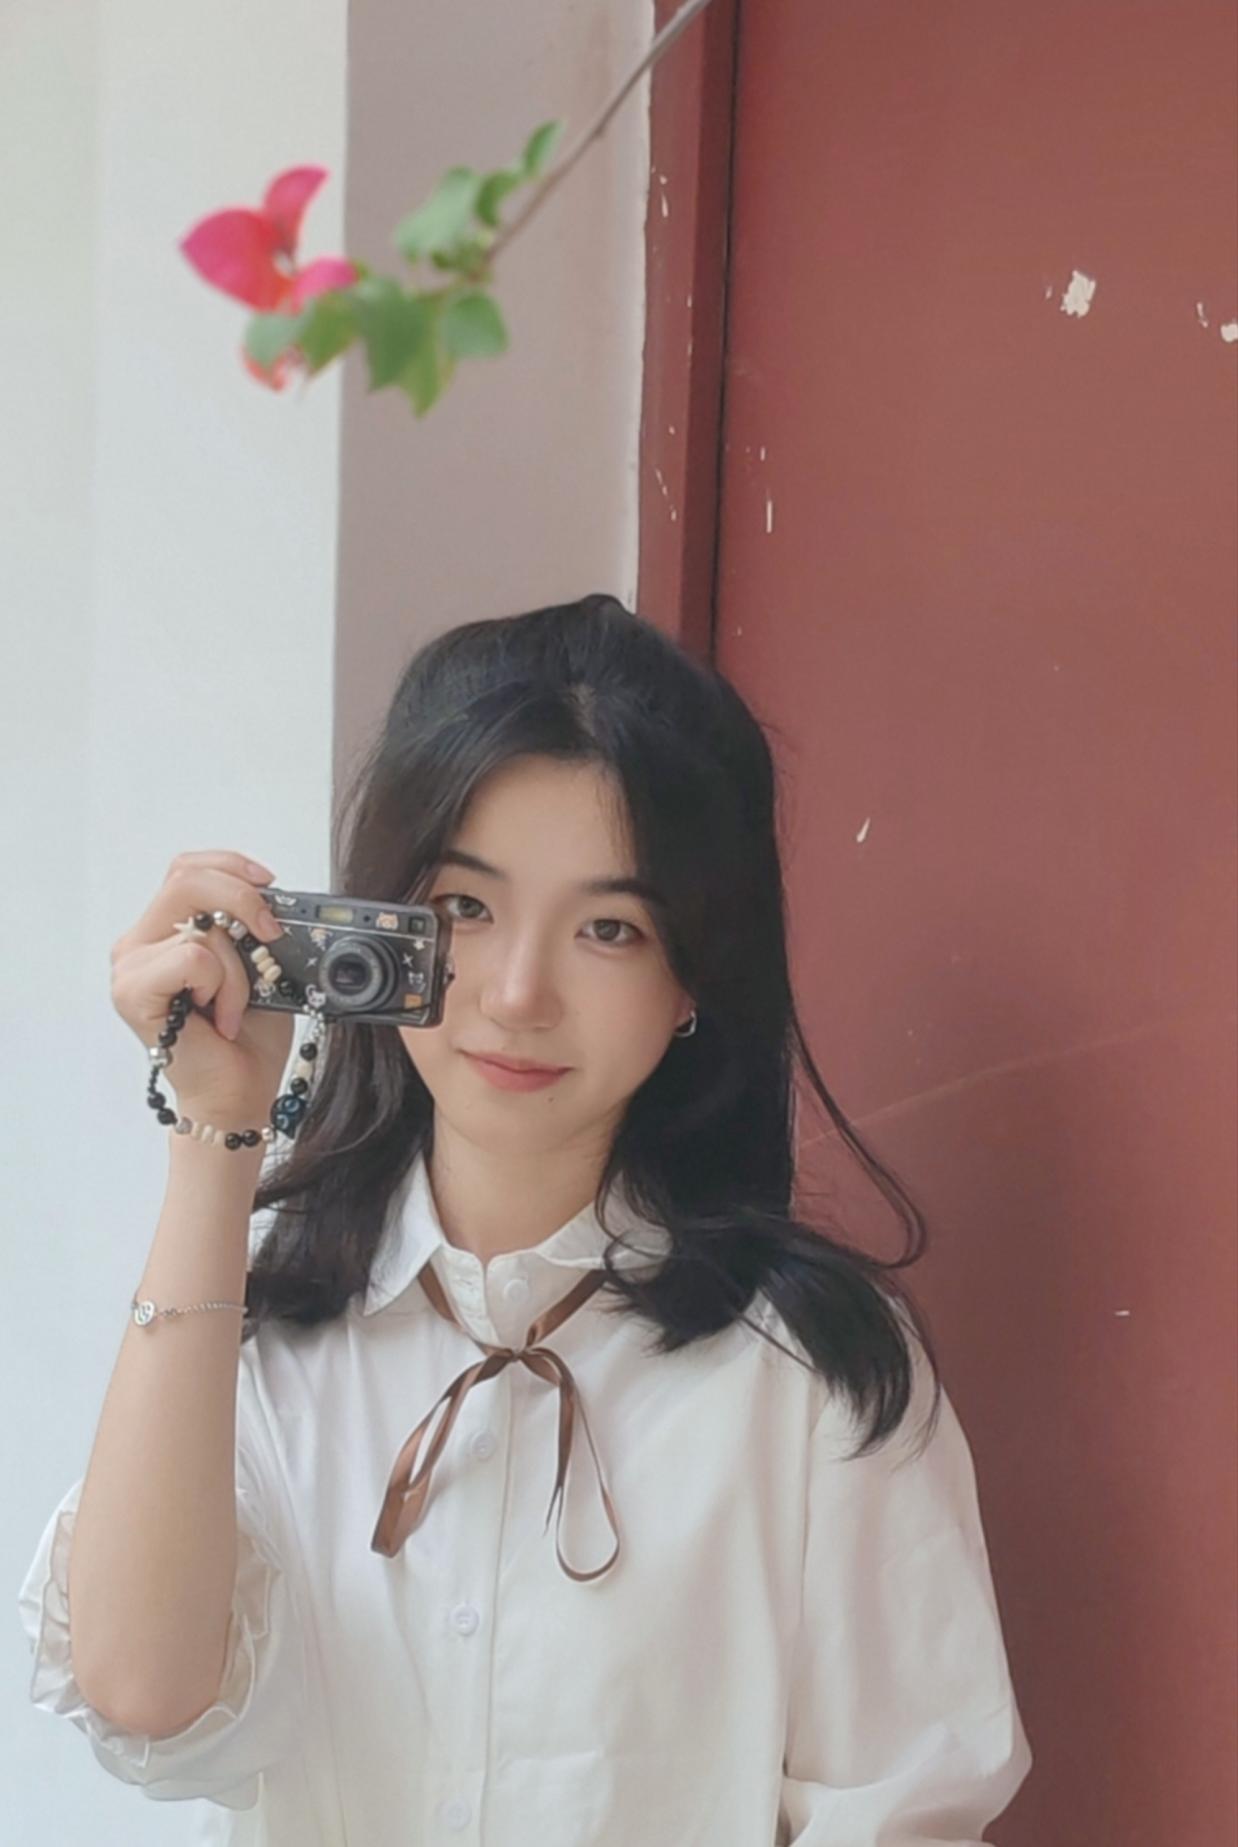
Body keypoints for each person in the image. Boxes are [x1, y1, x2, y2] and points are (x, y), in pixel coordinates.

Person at [17, 593, 1032, 1844]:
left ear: (691, 978)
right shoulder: (270, 1334)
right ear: (382, 926)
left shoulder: (816, 1374)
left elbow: (899, 1812)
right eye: (465, 907)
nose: (514, 991)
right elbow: (143, 1692)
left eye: (608, 927)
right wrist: (214, 1137)